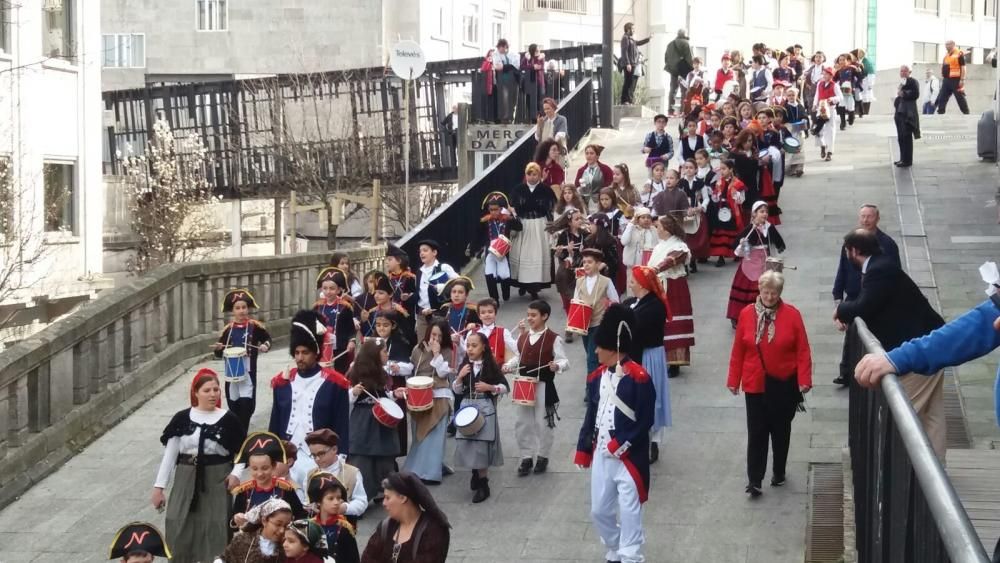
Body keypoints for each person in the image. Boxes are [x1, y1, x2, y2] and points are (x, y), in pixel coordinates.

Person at [834, 229, 947, 458]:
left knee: (902, 414)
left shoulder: (878, 270)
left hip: (921, 350)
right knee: (931, 412)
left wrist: (840, 311)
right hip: (930, 343)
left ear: (854, 251)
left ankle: (904, 473)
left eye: (847, 251)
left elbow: (864, 306)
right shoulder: (880, 265)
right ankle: (938, 467)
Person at [574, 304, 655, 563]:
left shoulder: (640, 377)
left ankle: (630, 555)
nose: (596, 350)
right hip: (601, 453)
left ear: (613, 347)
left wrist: (623, 444)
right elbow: (592, 416)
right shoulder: (596, 377)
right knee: (599, 511)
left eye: (600, 346)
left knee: (630, 511)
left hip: (629, 457)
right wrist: (584, 447)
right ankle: (615, 546)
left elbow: (645, 419)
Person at [727, 271, 812, 498]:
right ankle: (754, 480)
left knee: (780, 430)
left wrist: (804, 380)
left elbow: (802, 350)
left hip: (783, 383)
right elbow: (738, 351)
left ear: (780, 293)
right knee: (757, 432)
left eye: (774, 293)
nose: (770, 297)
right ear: (759, 290)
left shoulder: (792, 315)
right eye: (766, 292)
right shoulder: (746, 314)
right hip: (755, 383)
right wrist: (733, 380)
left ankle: (779, 471)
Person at [152, 368, 244, 563]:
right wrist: (159, 487)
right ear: (195, 392)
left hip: (218, 478)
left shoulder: (229, 420)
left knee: (215, 525)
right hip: (186, 477)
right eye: (207, 390)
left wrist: (235, 474)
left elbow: (244, 452)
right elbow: (170, 454)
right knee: (177, 521)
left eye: (216, 390)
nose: (213, 394)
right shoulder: (182, 419)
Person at [832, 204, 901, 386]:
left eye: (869, 216)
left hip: (875, 297)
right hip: (854, 295)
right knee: (851, 336)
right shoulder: (852, 241)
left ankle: (869, 372)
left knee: (872, 335)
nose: (865, 220)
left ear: (877, 218)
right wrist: (837, 295)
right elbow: (842, 268)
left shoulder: (887, 244)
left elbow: (895, 273)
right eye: (862, 216)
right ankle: (847, 372)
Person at [269, 310, 352, 457]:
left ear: (316, 353)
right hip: (287, 457)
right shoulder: (281, 383)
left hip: (320, 457)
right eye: (297, 353)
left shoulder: (335, 384)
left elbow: (341, 425)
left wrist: (341, 457)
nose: (300, 358)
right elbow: (275, 423)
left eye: (305, 352)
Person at [508, 299, 569, 476]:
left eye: (533, 315)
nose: (529, 318)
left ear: (545, 316)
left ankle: (543, 456)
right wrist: (508, 365)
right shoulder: (524, 336)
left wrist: (557, 366)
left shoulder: (554, 338)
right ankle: (526, 456)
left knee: (543, 423)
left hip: (543, 385)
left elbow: (564, 360)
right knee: (523, 423)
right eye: (528, 315)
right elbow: (518, 357)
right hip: (524, 385)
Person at [452, 332, 509, 503]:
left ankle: (484, 484)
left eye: (474, 345)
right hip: (467, 406)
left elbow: (505, 387)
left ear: (484, 347)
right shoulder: (465, 366)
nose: (470, 349)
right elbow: (457, 391)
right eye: (468, 345)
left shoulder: (490, 366)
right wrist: (460, 377)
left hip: (484, 407)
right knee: (468, 443)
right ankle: (475, 473)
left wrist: (490, 387)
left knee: (482, 446)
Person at [624, 266, 670, 463]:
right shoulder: (634, 303)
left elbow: (637, 329)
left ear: (642, 285)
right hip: (638, 355)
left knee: (653, 397)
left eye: (633, 281)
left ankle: (654, 441)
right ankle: (640, 436)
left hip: (649, 355)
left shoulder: (654, 307)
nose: (630, 284)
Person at [346, 340, 401, 502]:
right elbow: (343, 397)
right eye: (384, 351)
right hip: (363, 420)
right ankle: (360, 498)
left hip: (382, 421)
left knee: (384, 459)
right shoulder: (355, 372)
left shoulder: (382, 373)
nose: (387, 354)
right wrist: (353, 393)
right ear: (374, 355)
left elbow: (381, 396)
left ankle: (383, 491)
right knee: (362, 460)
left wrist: (394, 395)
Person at [402, 319, 455, 483]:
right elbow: (411, 369)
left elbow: (443, 373)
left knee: (434, 436)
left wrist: (437, 354)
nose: (435, 339)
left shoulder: (446, 351)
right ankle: (418, 468)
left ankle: (430, 471)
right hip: (419, 396)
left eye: (439, 336)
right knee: (419, 434)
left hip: (438, 395)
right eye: (433, 334)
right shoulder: (418, 349)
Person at [213, 288, 271, 431]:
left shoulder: (255, 327)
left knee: (247, 404)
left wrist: (265, 345)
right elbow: (219, 354)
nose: (241, 311)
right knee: (233, 403)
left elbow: (267, 339)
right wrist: (219, 348)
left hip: (248, 370)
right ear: (233, 311)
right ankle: (237, 430)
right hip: (231, 372)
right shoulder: (228, 329)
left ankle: (242, 433)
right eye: (237, 308)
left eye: (244, 307)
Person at [361, 472, 450, 563]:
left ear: (403, 498)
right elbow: (367, 559)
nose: (384, 503)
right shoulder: (387, 526)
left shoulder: (434, 530)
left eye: (388, 498)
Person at [650, 214, 695, 378]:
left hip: (674, 287)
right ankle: (662, 358)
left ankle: (676, 362)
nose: (657, 229)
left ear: (667, 230)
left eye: (658, 227)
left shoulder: (679, 245)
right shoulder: (659, 245)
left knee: (674, 321)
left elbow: (672, 259)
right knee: (661, 322)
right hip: (659, 286)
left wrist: (656, 269)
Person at [727, 201, 786, 327]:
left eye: (766, 212)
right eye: (761, 211)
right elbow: (738, 250)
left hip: (764, 263)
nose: (764, 214)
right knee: (748, 288)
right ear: (754, 214)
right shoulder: (749, 229)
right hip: (750, 263)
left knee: (766, 288)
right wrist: (743, 244)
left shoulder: (769, 227)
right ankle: (739, 316)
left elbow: (775, 244)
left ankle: (765, 313)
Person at [230, 431, 306, 526]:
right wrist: (237, 518)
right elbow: (233, 521)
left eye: (265, 468)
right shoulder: (244, 490)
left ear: (273, 466)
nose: (260, 473)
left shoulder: (285, 489)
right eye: (254, 469)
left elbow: (300, 516)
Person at [291, 429, 368, 522]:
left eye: (321, 453)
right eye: (314, 455)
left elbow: (362, 502)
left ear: (334, 449)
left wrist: (344, 508)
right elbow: (306, 500)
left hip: (343, 525)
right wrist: (309, 506)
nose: (317, 459)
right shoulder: (310, 474)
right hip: (316, 525)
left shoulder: (352, 473)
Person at [510, 162, 557, 299]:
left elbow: (551, 208)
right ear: (526, 175)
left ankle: (534, 288)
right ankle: (522, 284)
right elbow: (512, 207)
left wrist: (551, 227)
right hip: (523, 225)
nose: (531, 177)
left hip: (539, 225)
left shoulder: (545, 190)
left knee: (537, 255)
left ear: (539, 175)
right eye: (529, 174)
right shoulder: (518, 189)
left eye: (534, 174)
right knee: (522, 255)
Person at [574, 248, 621, 377]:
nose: (586, 265)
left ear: (598, 264)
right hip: (584, 326)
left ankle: (591, 392)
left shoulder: (606, 281)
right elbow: (576, 302)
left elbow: (615, 301)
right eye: (584, 262)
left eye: (590, 262)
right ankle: (603, 381)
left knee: (592, 359)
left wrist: (609, 313)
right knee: (592, 355)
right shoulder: (579, 281)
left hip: (599, 324)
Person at [306, 472, 360, 563]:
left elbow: (353, 558)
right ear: (319, 501)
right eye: (330, 498)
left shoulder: (344, 528)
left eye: (338, 498)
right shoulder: (309, 526)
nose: (336, 502)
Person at [216, 498, 293, 563]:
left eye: (286, 526)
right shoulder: (243, 540)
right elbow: (224, 559)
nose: (282, 530)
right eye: (278, 524)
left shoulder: (287, 547)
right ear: (264, 521)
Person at [313, 267, 357, 374]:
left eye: (332, 288)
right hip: (322, 347)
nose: (328, 292)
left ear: (339, 290)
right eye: (325, 288)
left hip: (340, 348)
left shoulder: (345, 307)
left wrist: (351, 341)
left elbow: (351, 328)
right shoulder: (317, 307)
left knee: (339, 374)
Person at [478, 192, 520, 303]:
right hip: (490, 252)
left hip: (503, 252)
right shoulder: (485, 221)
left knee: (504, 275)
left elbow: (519, 227)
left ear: (501, 209)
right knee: (489, 274)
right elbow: (479, 236)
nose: (493, 212)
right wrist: (474, 248)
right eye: (491, 209)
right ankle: (494, 298)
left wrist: (513, 214)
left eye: (496, 209)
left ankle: (506, 293)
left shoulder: (507, 219)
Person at [414, 239, 457, 341]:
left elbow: (460, 283)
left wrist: (444, 286)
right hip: (422, 316)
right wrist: (416, 319)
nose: (422, 253)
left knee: (440, 343)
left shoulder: (443, 268)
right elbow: (419, 295)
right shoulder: (419, 272)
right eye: (420, 251)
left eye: (425, 250)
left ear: (434, 252)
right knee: (423, 346)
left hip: (439, 315)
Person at [707, 159, 746, 267]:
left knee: (734, 232)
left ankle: (736, 252)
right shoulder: (719, 182)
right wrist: (714, 195)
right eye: (721, 169)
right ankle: (721, 256)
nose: (722, 171)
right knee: (721, 232)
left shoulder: (738, 183)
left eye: (724, 169)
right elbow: (715, 198)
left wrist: (735, 195)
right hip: (721, 209)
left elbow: (742, 199)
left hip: (733, 210)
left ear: (731, 169)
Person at [813, 66, 842, 161]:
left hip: (830, 109)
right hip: (820, 108)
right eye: (824, 74)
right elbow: (817, 95)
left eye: (826, 74)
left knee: (830, 130)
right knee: (819, 129)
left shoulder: (835, 85)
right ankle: (822, 145)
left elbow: (840, 97)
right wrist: (814, 104)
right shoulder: (820, 84)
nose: (824, 76)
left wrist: (832, 99)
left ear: (830, 75)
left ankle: (830, 151)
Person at [894, 65, 921, 168]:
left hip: (907, 113)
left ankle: (907, 160)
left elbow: (915, 94)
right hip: (900, 113)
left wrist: (904, 93)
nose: (903, 73)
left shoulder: (913, 81)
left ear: (909, 72)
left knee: (906, 137)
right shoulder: (902, 82)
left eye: (905, 71)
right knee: (901, 137)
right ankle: (902, 158)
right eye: (901, 71)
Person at [664, 29, 694, 115]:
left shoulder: (670, 44)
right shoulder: (686, 43)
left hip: (673, 70)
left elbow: (666, 58)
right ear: (685, 35)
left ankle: (670, 110)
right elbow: (690, 58)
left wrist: (671, 67)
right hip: (684, 70)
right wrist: (692, 70)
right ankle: (683, 110)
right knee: (684, 90)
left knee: (673, 89)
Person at [619, 22, 649, 105]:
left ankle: (629, 100)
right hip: (629, 64)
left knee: (631, 82)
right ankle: (625, 100)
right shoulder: (625, 38)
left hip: (633, 63)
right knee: (628, 82)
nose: (634, 30)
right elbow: (624, 52)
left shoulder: (631, 38)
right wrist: (628, 63)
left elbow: (638, 43)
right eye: (632, 29)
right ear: (628, 29)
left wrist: (648, 39)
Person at [937, 40, 970, 115]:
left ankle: (966, 113)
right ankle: (940, 113)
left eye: (948, 44)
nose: (946, 46)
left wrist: (962, 79)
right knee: (942, 97)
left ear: (953, 44)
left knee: (960, 98)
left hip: (956, 80)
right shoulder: (947, 55)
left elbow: (963, 67)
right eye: (945, 44)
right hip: (946, 80)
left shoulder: (959, 53)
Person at [491, 39, 519, 123]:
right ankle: (505, 117)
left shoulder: (513, 54)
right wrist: (509, 66)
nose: (503, 50)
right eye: (501, 48)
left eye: (505, 48)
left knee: (513, 99)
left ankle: (510, 117)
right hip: (503, 80)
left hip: (513, 80)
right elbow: (498, 66)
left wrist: (506, 66)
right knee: (505, 98)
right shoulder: (496, 54)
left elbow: (516, 66)